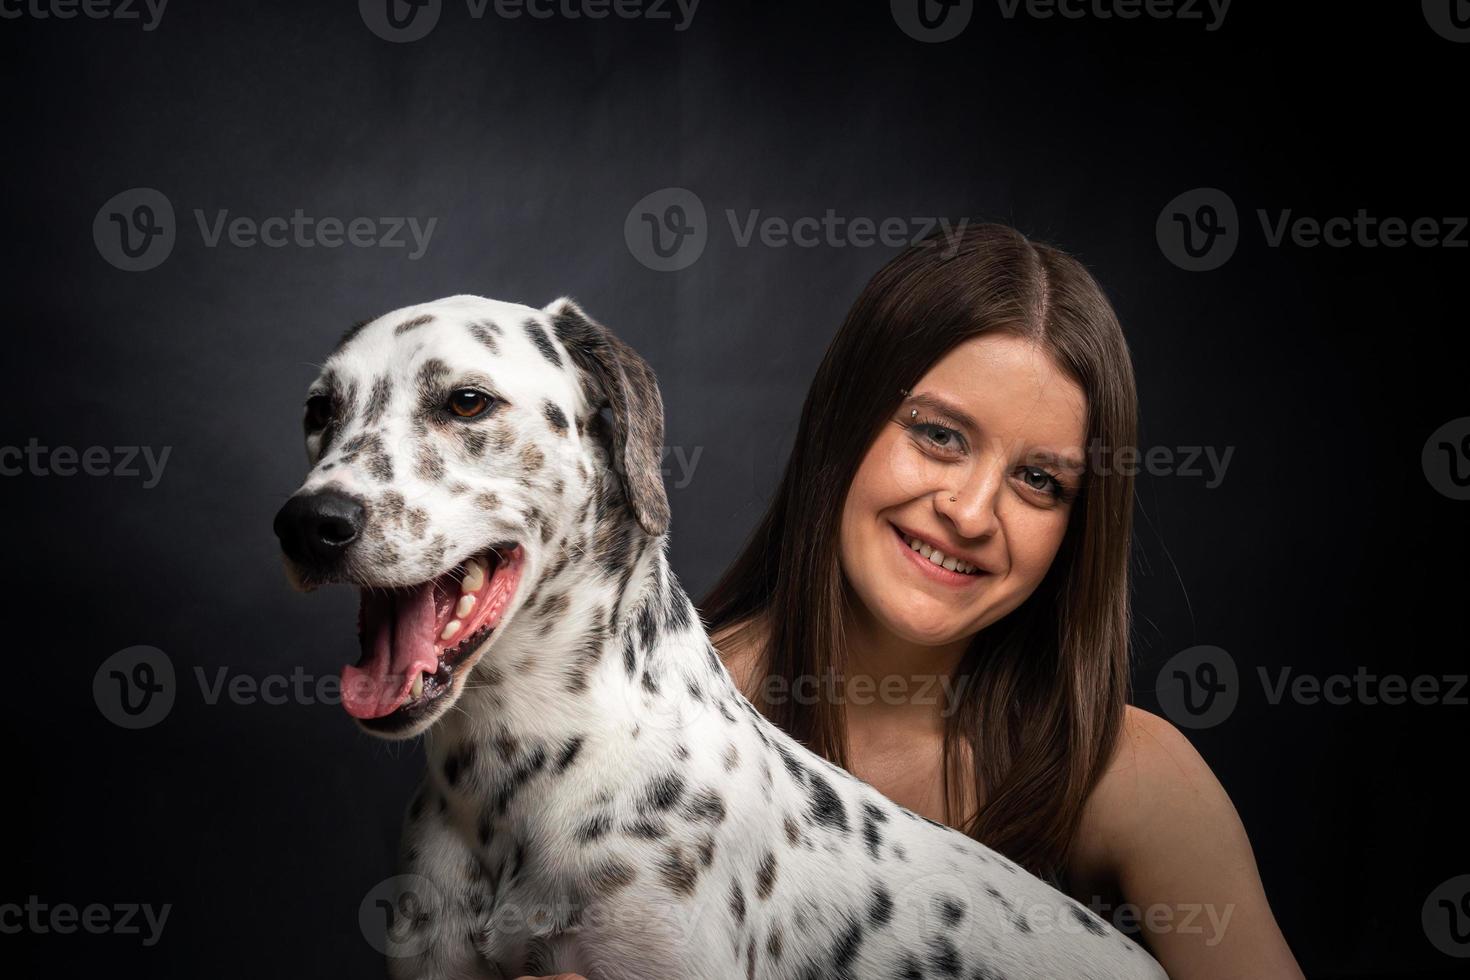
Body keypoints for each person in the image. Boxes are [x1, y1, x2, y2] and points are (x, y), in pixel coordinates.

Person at [520, 223, 1302, 978]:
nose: (970, 513)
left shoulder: (1132, 775)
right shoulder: (634, 731)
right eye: (939, 435)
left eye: (1039, 481)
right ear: (844, 423)